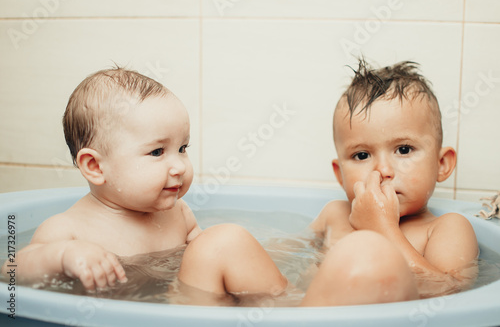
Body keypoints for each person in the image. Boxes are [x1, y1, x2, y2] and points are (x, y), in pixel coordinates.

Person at [0, 68, 287, 302]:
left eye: (183, 148)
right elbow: (12, 273)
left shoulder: (179, 214)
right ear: (95, 167)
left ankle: (286, 311)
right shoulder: (69, 230)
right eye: (157, 152)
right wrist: (62, 256)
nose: (179, 166)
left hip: (175, 307)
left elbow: (205, 264)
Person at [305, 59, 478, 303]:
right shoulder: (333, 214)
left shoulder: (446, 229)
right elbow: (290, 261)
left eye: (404, 150)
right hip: (298, 307)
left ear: (442, 164)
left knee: (364, 246)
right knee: (231, 242)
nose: (383, 170)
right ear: (340, 174)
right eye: (362, 155)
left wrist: (381, 229)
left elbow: (450, 294)